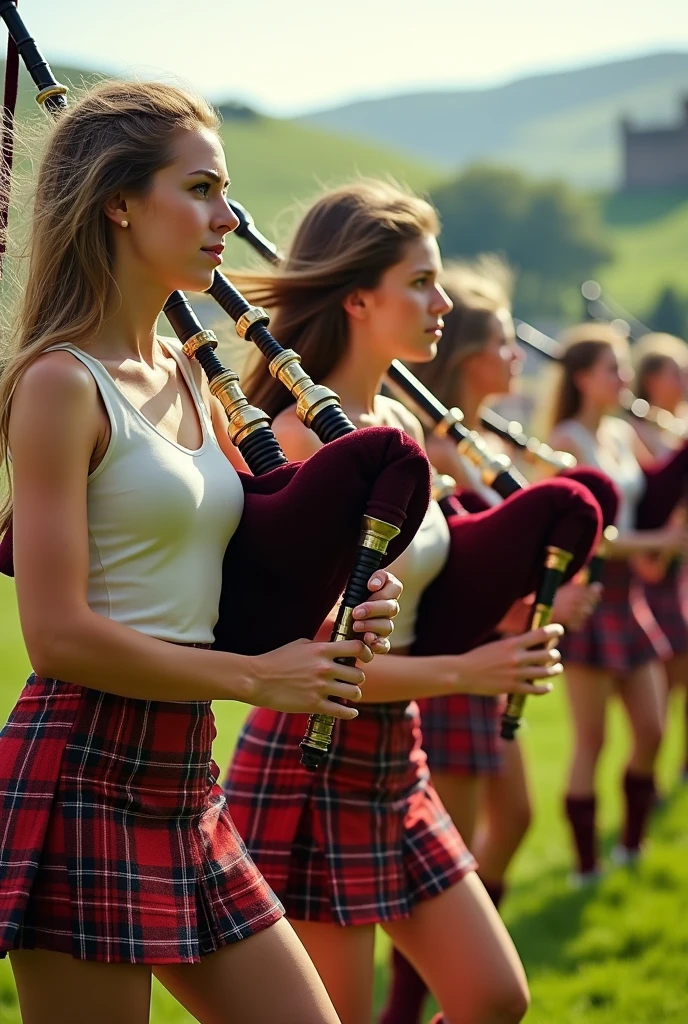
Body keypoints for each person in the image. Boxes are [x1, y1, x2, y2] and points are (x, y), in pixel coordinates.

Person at [0, 82, 403, 1024]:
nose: (227, 218)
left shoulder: (188, 371)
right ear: (120, 201)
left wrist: (338, 595)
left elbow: (232, 565)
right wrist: (261, 679)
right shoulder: (61, 384)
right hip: (83, 770)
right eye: (203, 189)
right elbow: (56, 638)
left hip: (187, 776)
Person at [224, 180, 567, 1024]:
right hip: (313, 759)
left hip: (396, 757)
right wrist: (467, 672)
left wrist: (511, 611)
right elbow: (311, 667)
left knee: (493, 997)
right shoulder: (300, 444)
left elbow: (420, 594)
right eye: (421, 282)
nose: (443, 302)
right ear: (356, 297)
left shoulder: (403, 433)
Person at [380, 260, 602, 1024]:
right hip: (442, 674)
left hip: (470, 671)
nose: (515, 360)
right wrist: (522, 614)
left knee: (500, 832)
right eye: (503, 344)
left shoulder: (475, 447)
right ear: (466, 356)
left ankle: (448, 980)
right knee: (461, 850)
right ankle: (419, 998)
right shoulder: (440, 456)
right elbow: (440, 590)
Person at [545, 323, 687, 882]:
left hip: (632, 598)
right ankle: (586, 866)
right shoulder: (565, 441)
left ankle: (631, 844)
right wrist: (656, 543)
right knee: (593, 741)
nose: (624, 378)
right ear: (583, 378)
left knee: (651, 730)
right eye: (613, 369)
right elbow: (586, 533)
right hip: (593, 598)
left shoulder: (620, 435)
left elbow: (652, 492)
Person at [628, 333, 688, 780]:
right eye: (675, 371)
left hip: (676, 565)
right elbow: (654, 495)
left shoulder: (672, 425)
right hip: (649, 567)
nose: (684, 380)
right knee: (662, 684)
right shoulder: (636, 431)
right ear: (651, 379)